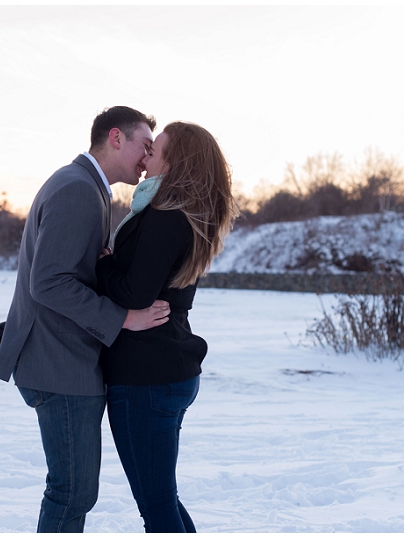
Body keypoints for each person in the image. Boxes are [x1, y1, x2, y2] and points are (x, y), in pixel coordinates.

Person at [0, 106, 171, 533]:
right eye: (145, 145)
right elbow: (48, 282)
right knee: (73, 492)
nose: (147, 157)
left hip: (65, 361)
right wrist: (124, 318)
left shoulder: (86, 186)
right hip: (58, 365)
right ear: (116, 138)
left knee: (76, 490)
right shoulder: (77, 189)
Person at [95, 121, 239, 532]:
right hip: (164, 369)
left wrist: (103, 264)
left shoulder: (165, 216)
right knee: (161, 501)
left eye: (154, 151)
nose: (146, 157)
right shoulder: (186, 215)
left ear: (177, 164)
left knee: (156, 506)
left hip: (146, 377)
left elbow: (135, 293)